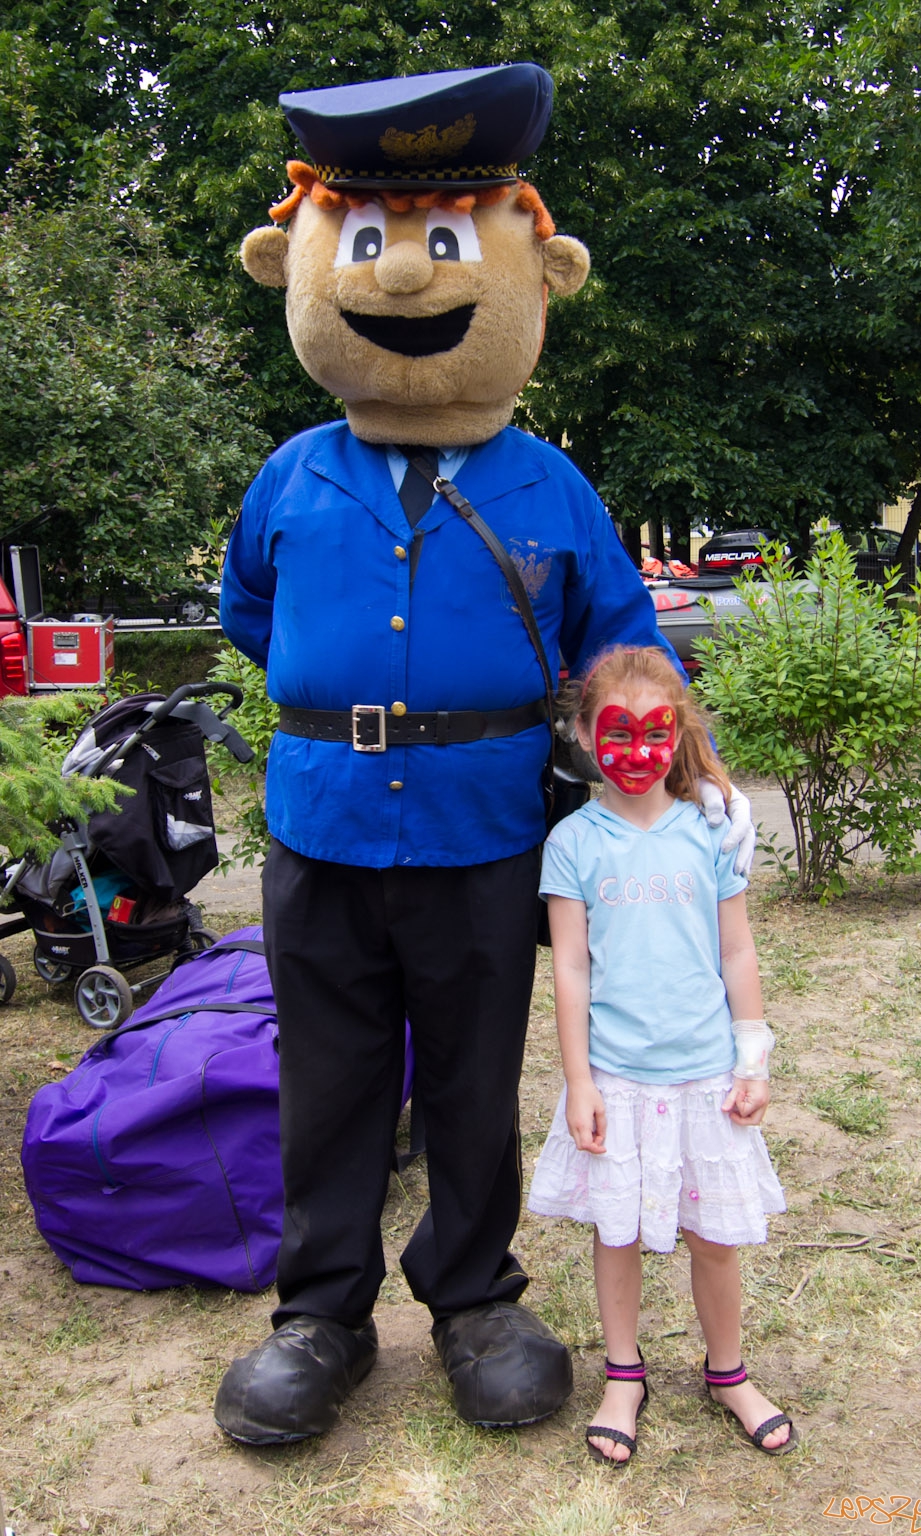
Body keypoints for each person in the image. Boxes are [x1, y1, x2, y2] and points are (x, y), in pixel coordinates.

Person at [214, 64, 756, 1446]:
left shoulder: (550, 483)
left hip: (484, 831)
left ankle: (472, 1296)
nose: (402, 278)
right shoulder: (291, 475)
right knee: (328, 1081)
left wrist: (687, 765)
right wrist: (340, 705)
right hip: (320, 825)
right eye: (371, 237)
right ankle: (318, 1314)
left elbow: (626, 650)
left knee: (468, 1073)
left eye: (446, 239)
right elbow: (250, 612)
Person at [528, 645, 795, 1465]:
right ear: (582, 733)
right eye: (618, 732)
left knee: (715, 1236)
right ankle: (623, 1374)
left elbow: (737, 952)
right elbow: (570, 968)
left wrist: (752, 1059)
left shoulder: (710, 832)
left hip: (705, 1074)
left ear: (678, 731)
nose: (638, 751)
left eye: (656, 733)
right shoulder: (573, 842)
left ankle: (728, 1373)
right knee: (617, 1231)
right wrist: (579, 1082)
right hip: (617, 1075)